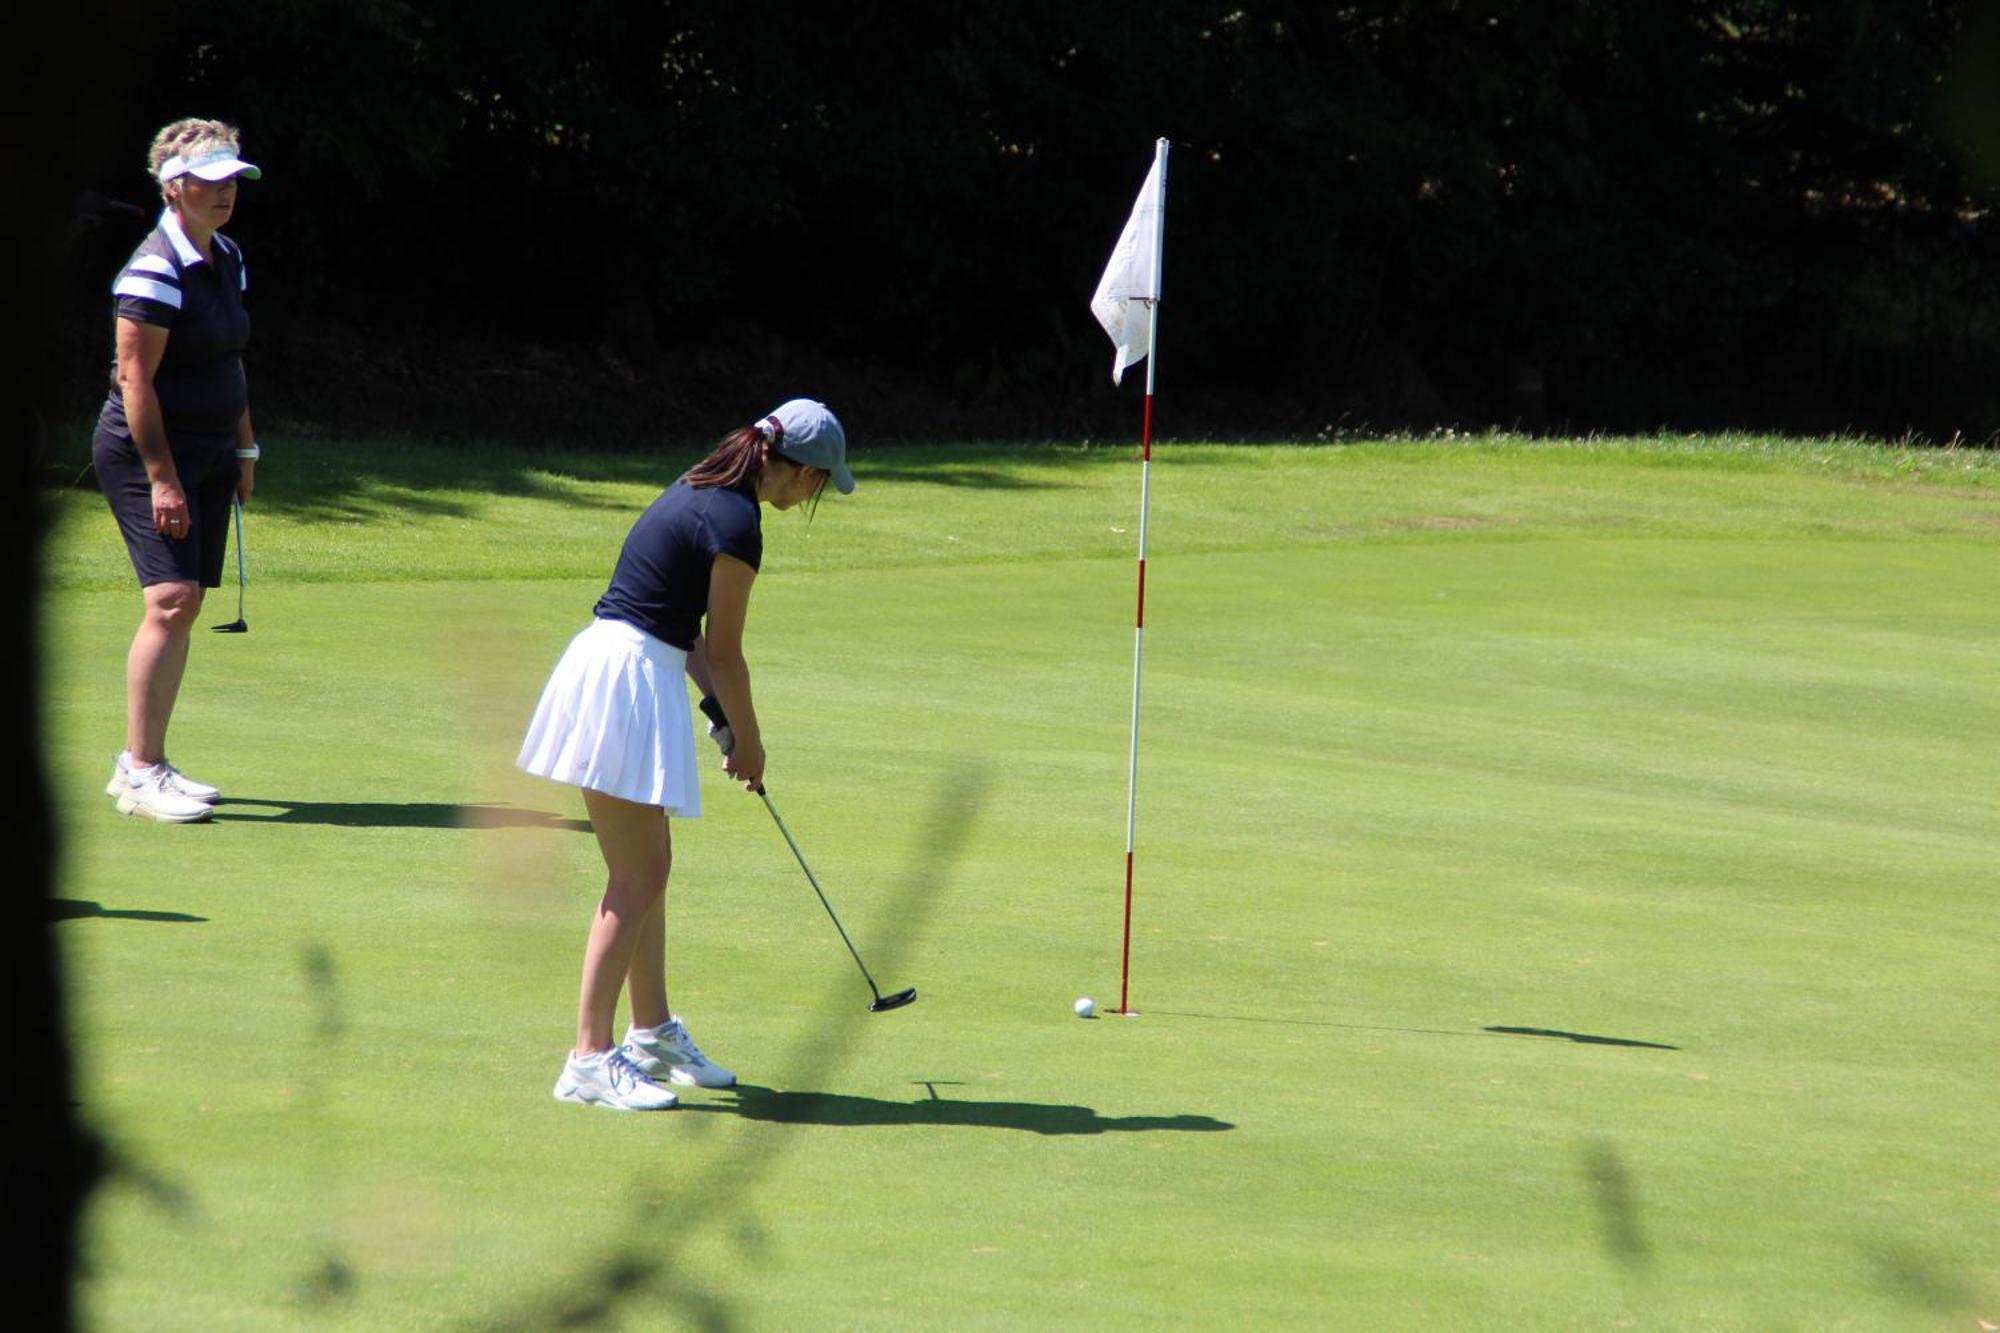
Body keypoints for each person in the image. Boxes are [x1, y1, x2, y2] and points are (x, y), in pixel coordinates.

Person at [518, 400, 856, 1110]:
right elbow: (727, 653)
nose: (816, 493)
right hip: (625, 677)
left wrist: (723, 721)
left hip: (622, 667)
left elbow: (692, 640)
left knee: (648, 866)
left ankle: (650, 1032)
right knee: (638, 873)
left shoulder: (705, 487)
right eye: (819, 479)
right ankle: (587, 1056)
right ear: (791, 468)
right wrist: (753, 741)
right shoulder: (738, 523)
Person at [92, 118, 263, 823]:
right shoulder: (153, 269)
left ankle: (149, 760)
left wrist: (245, 446)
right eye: (211, 181)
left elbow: (229, 359)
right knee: (169, 599)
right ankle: (138, 770)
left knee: (185, 602)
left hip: (209, 448)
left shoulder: (228, 255)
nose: (226, 193)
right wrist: (162, 477)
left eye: (232, 181)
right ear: (174, 188)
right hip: (146, 452)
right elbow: (137, 382)